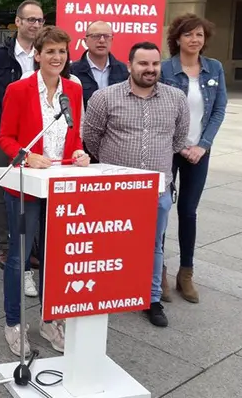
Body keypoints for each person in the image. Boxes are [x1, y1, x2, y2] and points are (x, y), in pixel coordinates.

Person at [83, 42, 190, 328]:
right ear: (129, 65)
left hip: (157, 189)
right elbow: (91, 138)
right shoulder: (105, 98)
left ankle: (151, 298)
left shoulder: (176, 98)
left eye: (155, 64)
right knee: (107, 243)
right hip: (115, 189)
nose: (150, 69)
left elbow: (179, 140)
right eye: (143, 64)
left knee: (153, 245)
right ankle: (104, 293)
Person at [0, 26, 88, 355]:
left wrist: (79, 152)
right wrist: (27, 155)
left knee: (54, 258)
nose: (57, 57)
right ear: (37, 55)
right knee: (19, 257)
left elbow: (73, 137)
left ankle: (51, 321)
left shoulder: (73, 92)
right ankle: (13, 324)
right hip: (25, 188)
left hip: (60, 188)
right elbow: (5, 137)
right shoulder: (19, 90)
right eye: (50, 51)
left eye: (62, 52)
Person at [0, 0, 44, 288]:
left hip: (39, 134)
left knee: (37, 189)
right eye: (29, 19)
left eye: (39, 20)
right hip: (4, 133)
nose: (35, 25)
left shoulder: (45, 54)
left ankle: (35, 247)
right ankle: (5, 245)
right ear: (17, 22)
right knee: (4, 187)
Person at [159, 14, 227, 304]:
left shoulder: (214, 68)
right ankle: (157, 272)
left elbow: (218, 110)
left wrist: (203, 144)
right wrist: (181, 144)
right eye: (188, 35)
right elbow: (161, 111)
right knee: (160, 210)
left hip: (200, 152)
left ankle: (185, 273)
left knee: (188, 211)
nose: (194, 39)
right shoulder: (165, 69)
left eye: (199, 34)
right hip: (168, 150)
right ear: (177, 39)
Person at [70, 20, 129, 108]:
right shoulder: (72, 71)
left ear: (112, 40)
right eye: (96, 36)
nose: (102, 40)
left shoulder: (124, 71)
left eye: (106, 36)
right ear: (85, 41)